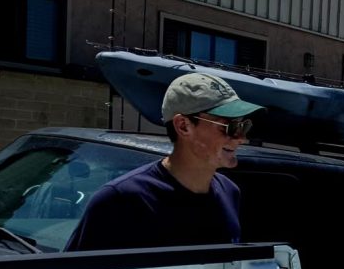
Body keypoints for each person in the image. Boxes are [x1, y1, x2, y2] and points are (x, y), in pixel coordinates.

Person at [65, 73, 263, 250]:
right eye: (229, 126)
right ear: (183, 126)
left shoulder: (229, 192)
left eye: (244, 126)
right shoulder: (121, 201)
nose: (241, 138)